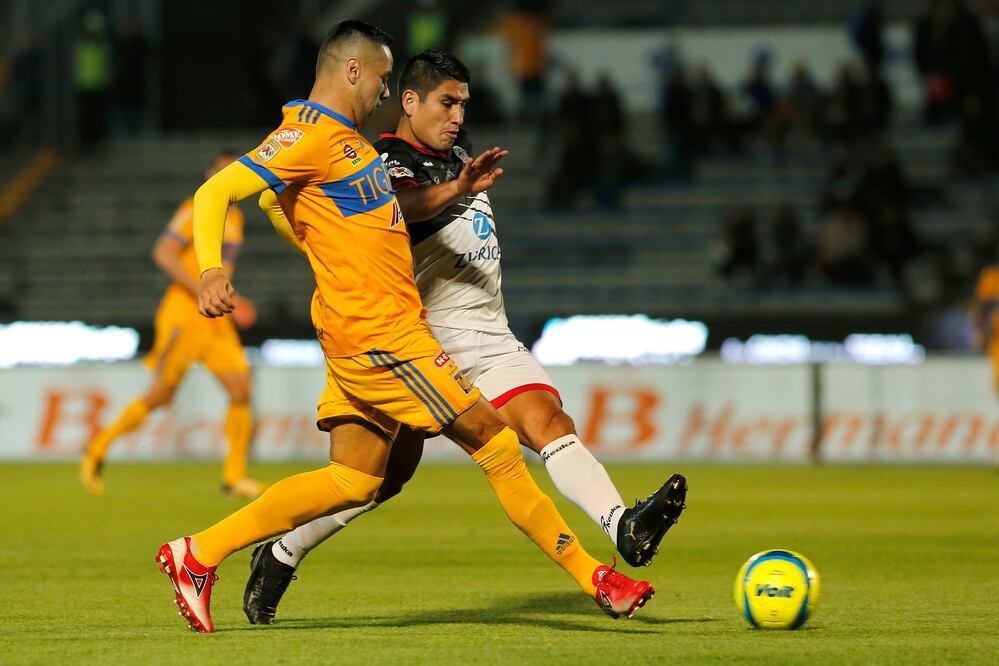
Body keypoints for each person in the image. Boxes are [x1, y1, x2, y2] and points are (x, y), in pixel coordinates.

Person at [155, 21, 656, 634]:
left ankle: (197, 554)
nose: (385, 93)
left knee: (355, 478)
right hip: (383, 333)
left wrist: (320, 246)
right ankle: (598, 580)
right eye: (384, 80)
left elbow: (277, 206)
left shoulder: (348, 146)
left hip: (366, 326)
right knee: (498, 445)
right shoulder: (307, 135)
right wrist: (210, 271)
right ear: (352, 71)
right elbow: (218, 193)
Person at [80, 150, 262, 499]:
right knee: (161, 395)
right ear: (210, 174)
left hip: (216, 318)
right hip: (184, 315)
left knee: (241, 390)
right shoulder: (194, 209)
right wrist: (204, 289)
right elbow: (163, 252)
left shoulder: (235, 218)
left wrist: (234, 300)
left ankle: (234, 476)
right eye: (221, 172)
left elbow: (216, 270)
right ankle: (97, 448)